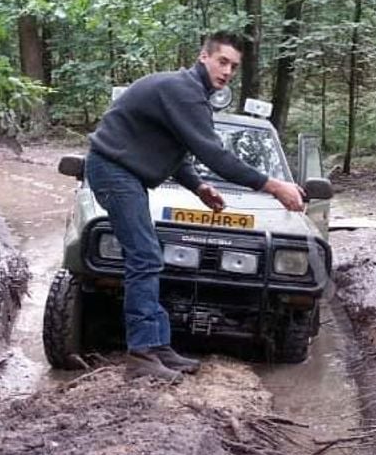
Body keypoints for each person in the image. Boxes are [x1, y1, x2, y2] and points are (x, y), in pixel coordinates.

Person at [86, 31, 306, 381]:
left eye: (234, 66)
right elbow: (215, 155)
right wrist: (274, 186)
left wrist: (198, 187)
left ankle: (157, 345)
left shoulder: (188, 93)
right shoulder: (185, 92)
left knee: (149, 256)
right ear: (204, 56)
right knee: (144, 257)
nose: (228, 71)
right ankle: (142, 355)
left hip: (124, 172)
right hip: (113, 169)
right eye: (222, 62)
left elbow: (174, 148)